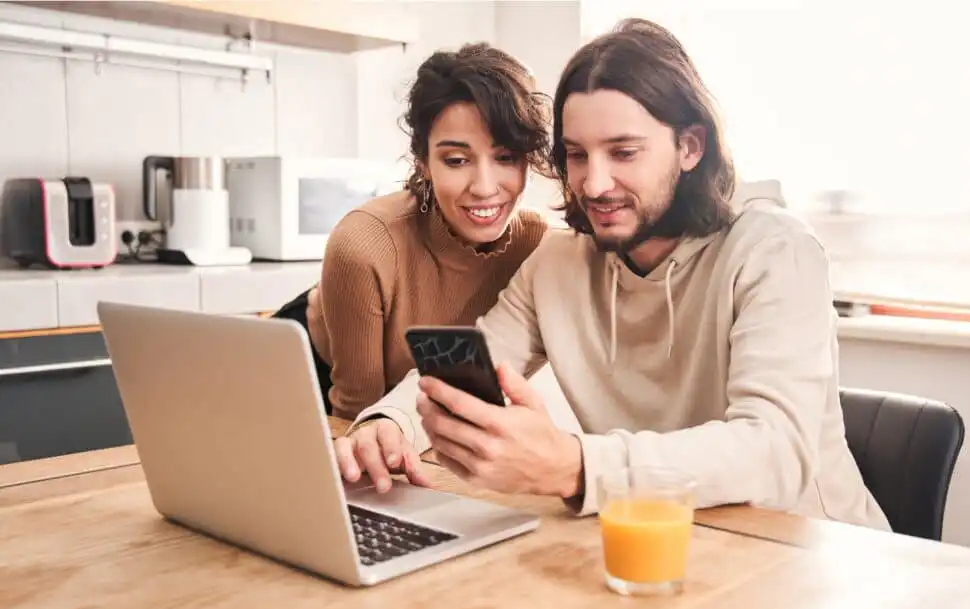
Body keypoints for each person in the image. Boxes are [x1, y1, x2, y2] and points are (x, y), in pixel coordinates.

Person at [333, 18, 890, 531]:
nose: (594, 184)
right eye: (577, 155)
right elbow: (475, 355)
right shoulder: (559, 263)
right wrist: (388, 424)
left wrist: (573, 467)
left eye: (623, 152)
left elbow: (773, 453)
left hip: (807, 555)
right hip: (652, 540)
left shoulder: (773, 251)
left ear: (690, 147)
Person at [271, 42, 553, 421]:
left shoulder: (537, 246)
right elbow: (355, 412)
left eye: (506, 158)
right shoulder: (366, 243)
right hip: (308, 378)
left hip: (410, 403)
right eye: (456, 160)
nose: (485, 187)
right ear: (423, 162)